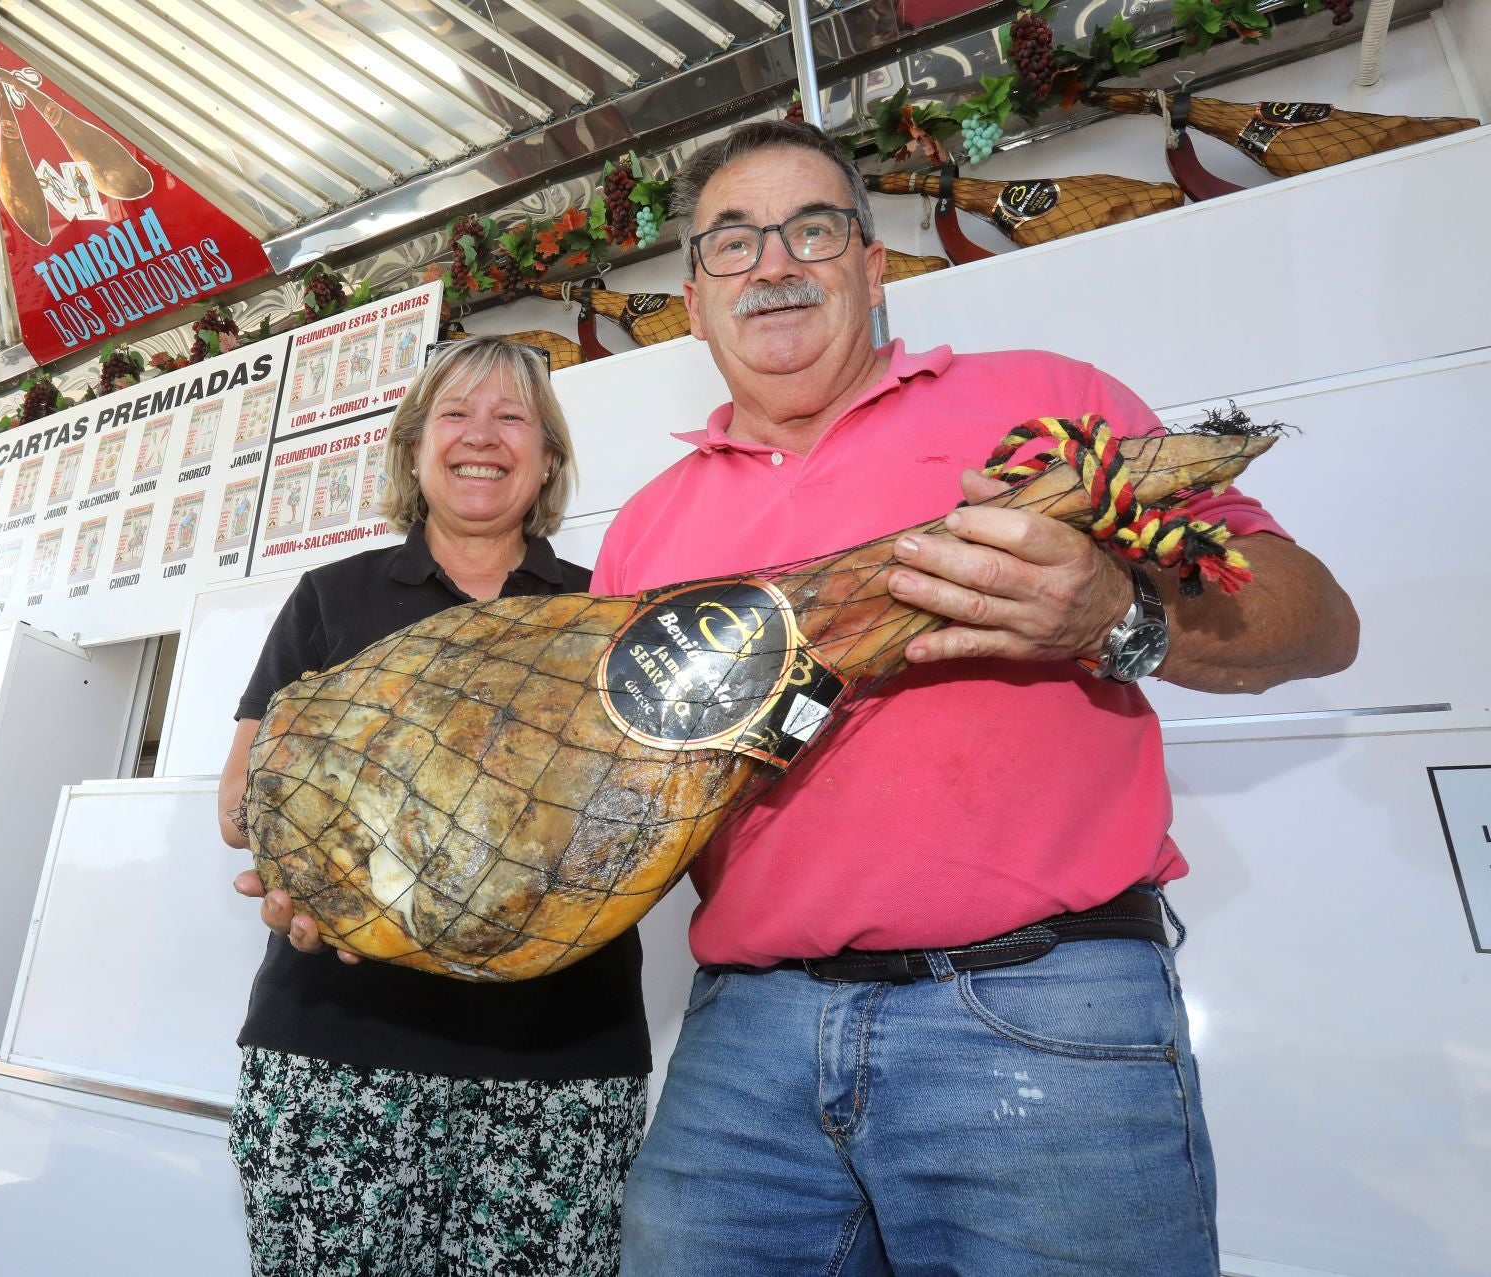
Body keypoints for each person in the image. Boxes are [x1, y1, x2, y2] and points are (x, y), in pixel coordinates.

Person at [603, 120, 1359, 1276]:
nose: (774, 264)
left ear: (873, 262)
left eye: (813, 227)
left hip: (1041, 1009)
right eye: (732, 243)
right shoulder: (644, 529)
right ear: (694, 301)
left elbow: (1318, 618)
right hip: (742, 1043)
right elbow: (611, 798)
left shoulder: (1043, 406)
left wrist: (1118, 616)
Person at [217, 337, 649, 1277]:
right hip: (340, 1047)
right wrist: (308, 866)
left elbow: (650, 811)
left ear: (548, 459)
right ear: (415, 449)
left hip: (563, 1063)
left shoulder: (605, 610)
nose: (481, 437)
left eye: (512, 417)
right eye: (455, 414)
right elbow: (243, 803)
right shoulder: (333, 598)